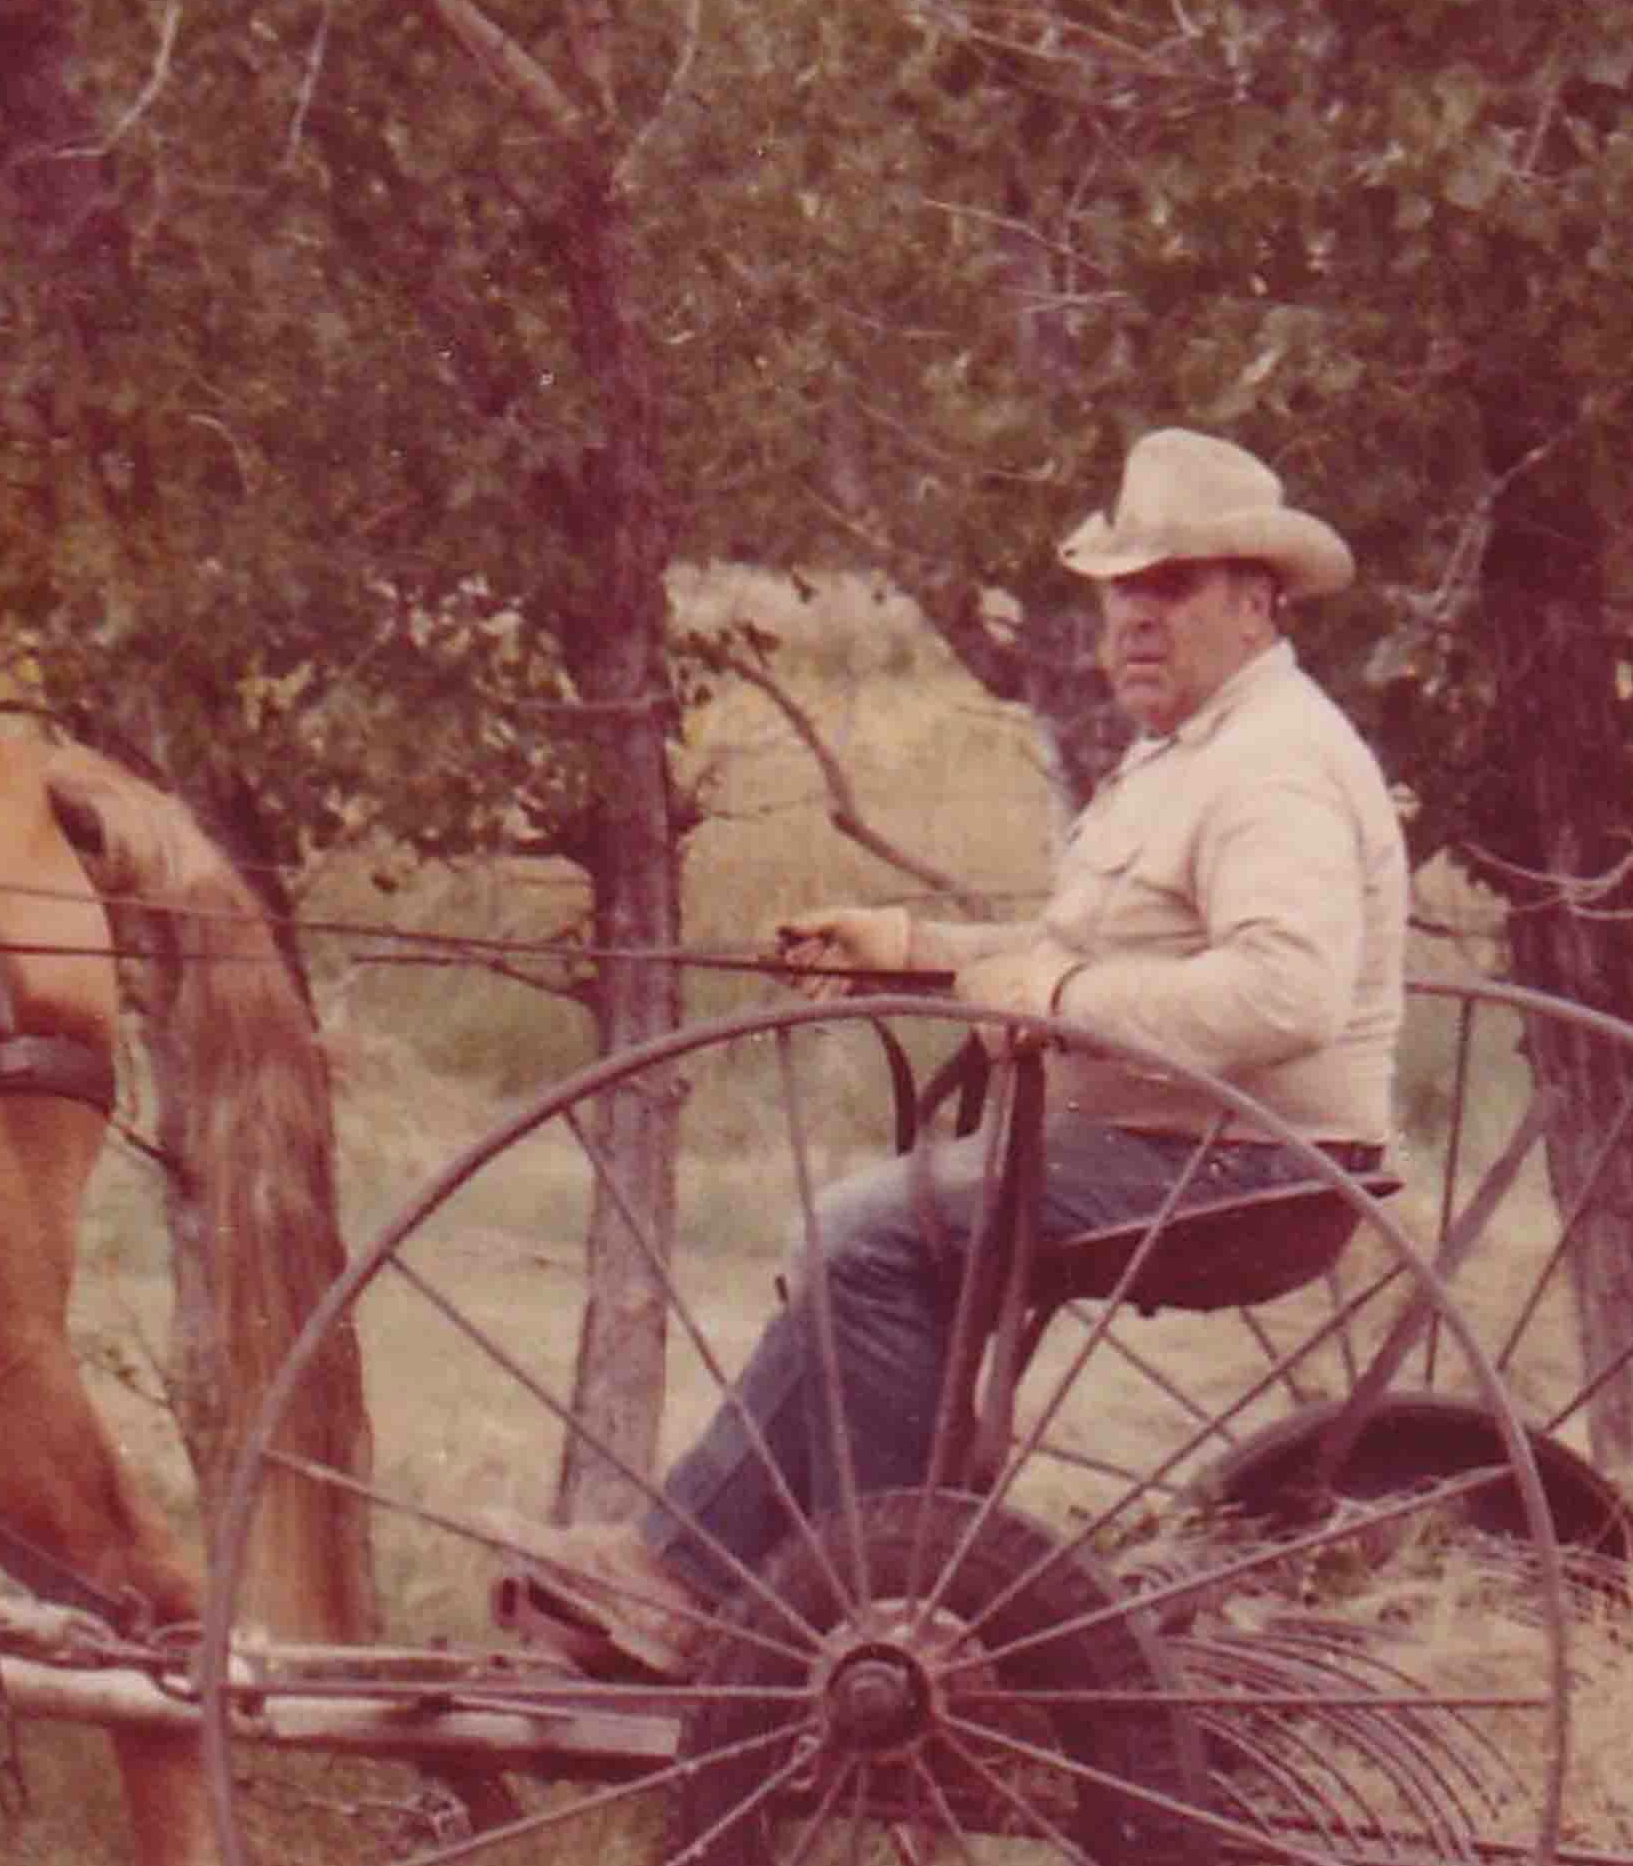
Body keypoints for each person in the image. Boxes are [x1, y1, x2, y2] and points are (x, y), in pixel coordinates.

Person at [496, 428, 1410, 1677]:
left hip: (1245, 1170)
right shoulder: (1194, 753)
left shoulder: (1274, 768)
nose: (1133, 622)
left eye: (1171, 588)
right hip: (1169, 1146)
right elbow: (1102, 945)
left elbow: (1284, 991)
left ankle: (837, 1604)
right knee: (885, 1235)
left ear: (1257, 602)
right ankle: (744, 1582)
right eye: (1119, 592)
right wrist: (919, 946)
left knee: (872, 1235)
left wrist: (1065, 992)